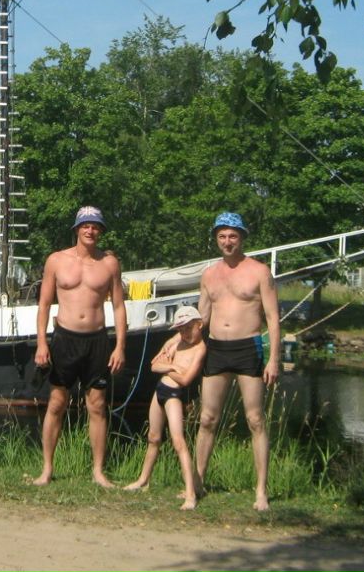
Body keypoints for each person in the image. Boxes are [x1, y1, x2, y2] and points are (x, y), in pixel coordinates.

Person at [32, 205, 127, 488]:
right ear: (76, 229)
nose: (91, 230)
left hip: (97, 340)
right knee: (57, 403)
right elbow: (45, 304)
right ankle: (47, 468)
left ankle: (98, 471)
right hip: (64, 339)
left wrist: (120, 346)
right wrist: (41, 343)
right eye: (86, 226)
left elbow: (120, 307)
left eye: (96, 226)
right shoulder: (56, 261)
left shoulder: (109, 263)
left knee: (97, 406)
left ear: (101, 231)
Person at [195, 212, 280, 511]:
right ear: (216, 239)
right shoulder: (209, 274)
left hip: (249, 348)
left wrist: (273, 358)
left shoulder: (259, 271)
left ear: (241, 237)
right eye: (222, 236)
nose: (227, 241)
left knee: (255, 420)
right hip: (216, 348)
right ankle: (198, 483)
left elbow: (272, 317)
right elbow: (201, 319)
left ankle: (261, 491)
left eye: (232, 236)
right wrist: (178, 345)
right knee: (207, 419)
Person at [124, 305, 207, 508]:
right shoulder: (177, 343)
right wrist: (171, 367)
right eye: (181, 329)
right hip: (160, 390)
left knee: (178, 441)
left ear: (200, 325)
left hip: (174, 395)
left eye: (188, 328)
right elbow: (154, 365)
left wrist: (167, 369)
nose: (185, 333)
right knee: (153, 437)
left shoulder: (200, 349)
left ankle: (190, 494)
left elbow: (187, 378)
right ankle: (143, 479)